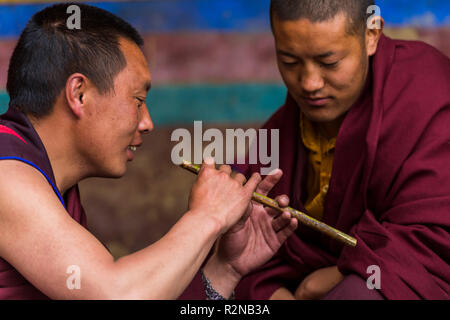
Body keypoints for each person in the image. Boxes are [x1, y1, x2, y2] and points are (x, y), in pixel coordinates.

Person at [0, 3, 298, 299]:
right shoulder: (7, 175)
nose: (148, 123)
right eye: (138, 100)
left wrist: (227, 268)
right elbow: (115, 295)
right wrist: (209, 217)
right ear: (80, 94)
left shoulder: (53, 186)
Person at [233, 0, 450, 300]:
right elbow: (244, 250)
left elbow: (433, 239)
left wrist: (326, 280)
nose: (309, 83)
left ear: (371, 36)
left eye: (329, 62)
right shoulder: (280, 131)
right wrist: (271, 292)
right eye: (290, 62)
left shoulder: (427, 91)